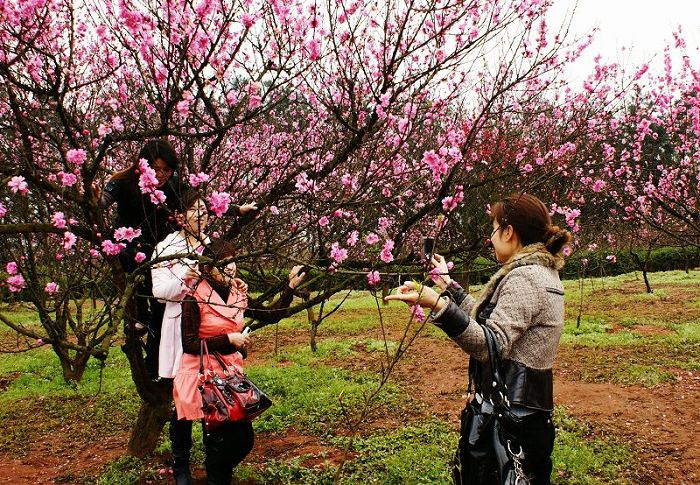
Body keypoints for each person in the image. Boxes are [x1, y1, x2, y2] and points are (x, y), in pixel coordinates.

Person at [385, 193, 571, 484]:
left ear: (509, 232)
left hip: (511, 417)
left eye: (494, 228)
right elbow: (490, 318)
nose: (490, 236)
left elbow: (489, 343)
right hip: (525, 413)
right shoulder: (539, 272)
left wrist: (439, 305)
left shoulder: (526, 278)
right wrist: (449, 286)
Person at [96, 139, 256, 376]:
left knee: (160, 308)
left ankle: (152, 345)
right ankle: (139, 320)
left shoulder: (172, 185)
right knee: (138, 277)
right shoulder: (123, 181)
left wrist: (236, 210)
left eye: (166, 169)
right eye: (156, 168)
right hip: (128, 242)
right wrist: (91, 199)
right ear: (143, 164)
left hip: (159, 245)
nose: (160, 175)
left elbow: (198, 205)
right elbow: (102, 201)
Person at [171, 239, 305, 485]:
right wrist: (228, 339)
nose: (230, 267)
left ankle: (215, 469)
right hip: (203, 375)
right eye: (222, 264)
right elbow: (189, 344)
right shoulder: (193, 298)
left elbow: (270, 314)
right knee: (220, 436)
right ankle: (209, 473)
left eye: (232, 261)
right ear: (207, 269)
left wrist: (289, 288)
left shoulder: (236, 293)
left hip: (229, 373)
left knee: (242, 440)